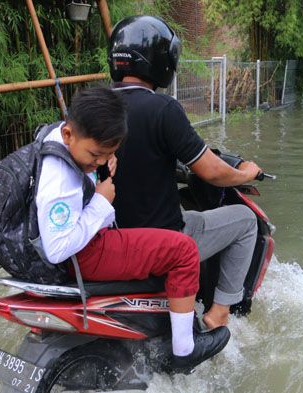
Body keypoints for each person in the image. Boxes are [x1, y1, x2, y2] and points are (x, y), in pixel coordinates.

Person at [34, 86, 230, 373]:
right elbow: (57, 248)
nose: (100, 161)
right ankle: (185, 350)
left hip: (84, 247)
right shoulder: (59, 179)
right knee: (183, 249)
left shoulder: (57, 137)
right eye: (96, 154)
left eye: (109, 154)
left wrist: (98, 167)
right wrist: (100, 202)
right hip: (85, 253)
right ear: (68, 135)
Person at [107, 15, 263, 331]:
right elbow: (213, 172)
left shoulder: (93, 106)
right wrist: (246, 173)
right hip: (163, 241)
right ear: (162, 61)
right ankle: (219, 311)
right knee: (248, 223)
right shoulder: (164, 109)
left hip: (114, 242)